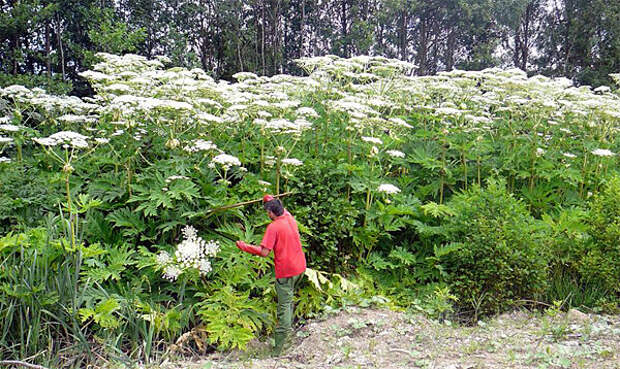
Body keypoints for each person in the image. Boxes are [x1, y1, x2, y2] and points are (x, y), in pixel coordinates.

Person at [236, 194, 306, 356]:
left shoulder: (273, 227)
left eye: (267, 211)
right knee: (288, 300)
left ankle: (279, 350)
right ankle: (288, 335)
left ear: (270, 213)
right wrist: (269, 199)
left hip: (286, 272)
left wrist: (244, 246)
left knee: (283, 308)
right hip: (300, 268)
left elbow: (264, 252)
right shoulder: (289, 218)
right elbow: (278, 206)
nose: (267, 215)